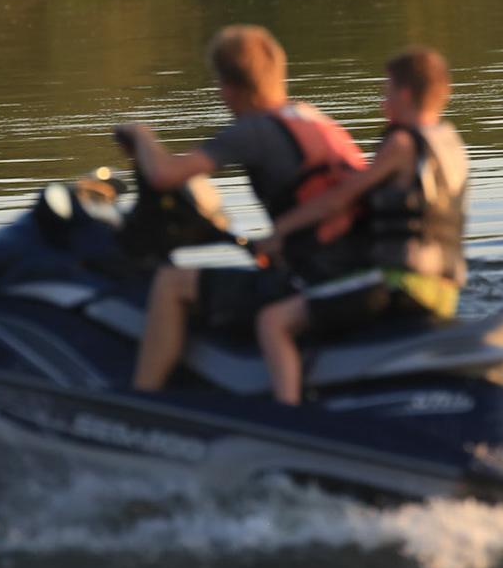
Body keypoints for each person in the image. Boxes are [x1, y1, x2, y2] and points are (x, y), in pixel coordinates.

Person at [119, 25, 367, 394]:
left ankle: (141, 403)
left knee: (170, 283)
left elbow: (164, 176)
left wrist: (140, 135)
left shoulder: (253, 130)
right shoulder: (314, 120)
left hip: (314, 279)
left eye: (220, 86)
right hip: (352, 267)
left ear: (229, 87)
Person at [254, 46, 469, 404]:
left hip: (400, 283)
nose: (383, 98)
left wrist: (280, 232)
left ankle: (288, 414)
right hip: (445, 290)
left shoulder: (401, 144)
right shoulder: (449, 143)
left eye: (387, 88)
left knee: (273, 321)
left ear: (404, 93)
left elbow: (339, 199)